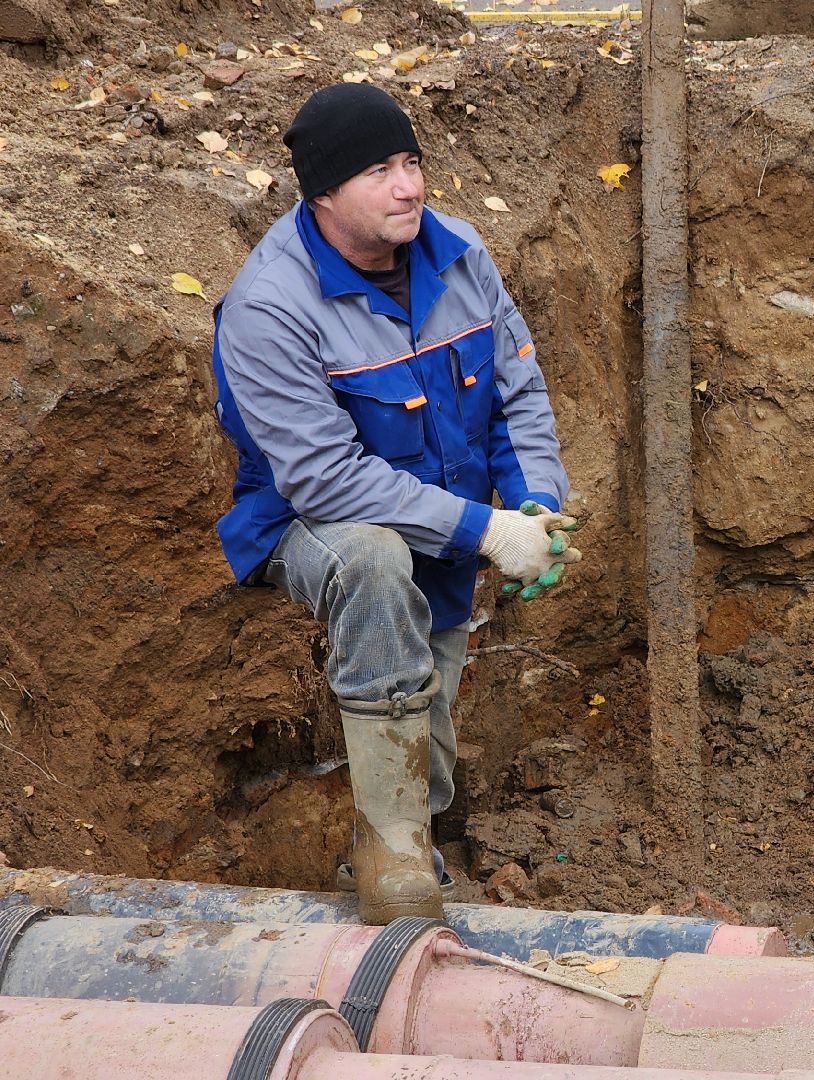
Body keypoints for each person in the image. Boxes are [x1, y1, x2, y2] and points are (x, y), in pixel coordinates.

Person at [210, 82, 581, 924]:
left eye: (412, 162)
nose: (410, 186)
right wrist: (483, 529)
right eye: (380, 171)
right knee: (375, 560)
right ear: (323, 192)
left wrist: (532, 507)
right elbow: (323, 478)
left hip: (444, 521)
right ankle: (393, 853)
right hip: (306, 521)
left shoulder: (461, 255)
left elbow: (517, 395)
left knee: (429, 734)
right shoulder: (271, 306)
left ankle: (402, 836)